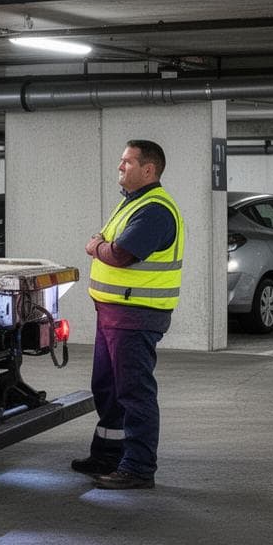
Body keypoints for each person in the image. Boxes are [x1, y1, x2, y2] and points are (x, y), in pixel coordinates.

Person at [78, 139, 184, 490]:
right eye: (121, 161)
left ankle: (138, 467)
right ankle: (109, 455)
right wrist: (102, 246)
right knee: (107, 388)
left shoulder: (155, 210)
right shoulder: (132, 204)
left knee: (134, 393)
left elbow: (121, 253)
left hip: (136, 315)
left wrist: (96, 247)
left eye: (127, 162)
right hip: (114, 313)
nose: (120, 167)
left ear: (148, 169)